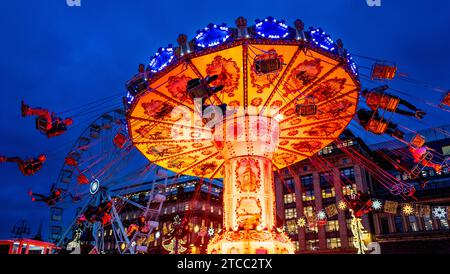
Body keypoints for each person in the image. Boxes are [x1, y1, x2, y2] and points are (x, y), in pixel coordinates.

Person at [362, 86, 426, 119]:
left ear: (364, 96)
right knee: (403, 102)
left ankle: (414, 115)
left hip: (388, 107)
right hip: (391, 99)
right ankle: (415, 109)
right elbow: (385, 87)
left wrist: (375, 113)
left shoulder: (368, 102)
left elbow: (375, 110)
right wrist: (385, 87)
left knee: (400, 112)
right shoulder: (374, 90)